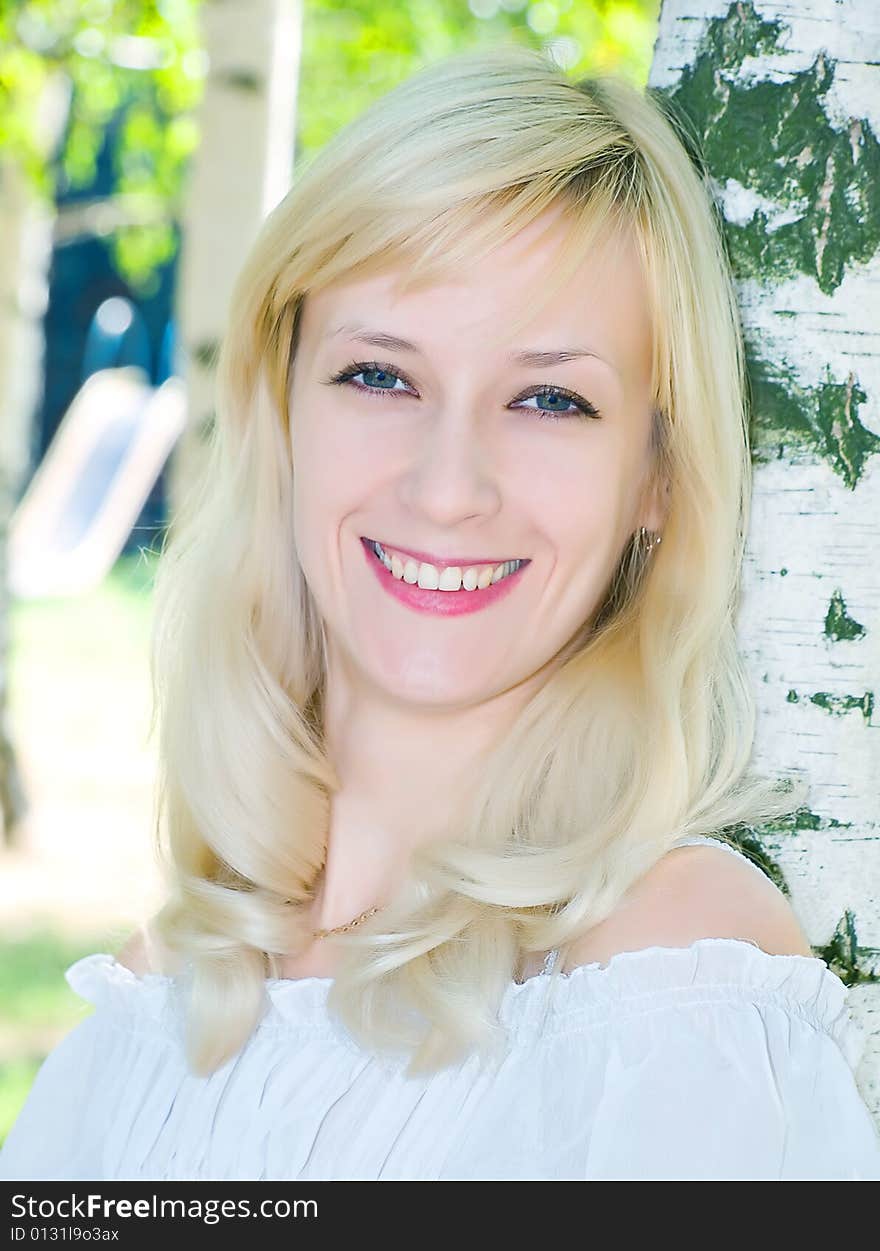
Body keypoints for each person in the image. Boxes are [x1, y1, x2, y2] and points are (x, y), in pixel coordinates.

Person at [2, 43, 879, 1183]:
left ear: (656, 478)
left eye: (550, 399)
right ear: (282, 409)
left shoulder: (668, 983)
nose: (446, 486)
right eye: (379, 376)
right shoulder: (159, 990)